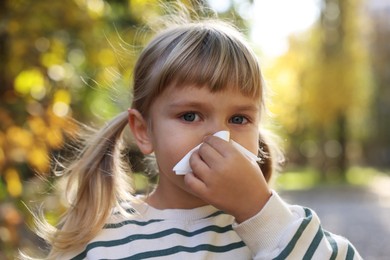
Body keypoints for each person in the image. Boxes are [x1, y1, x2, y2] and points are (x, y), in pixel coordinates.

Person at [28, 10, 362, 260]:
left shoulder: (277, 229)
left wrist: (260, 213)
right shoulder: (98, 238)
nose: (219, 136)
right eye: (190, 115)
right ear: (144, 131)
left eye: (239, 118)